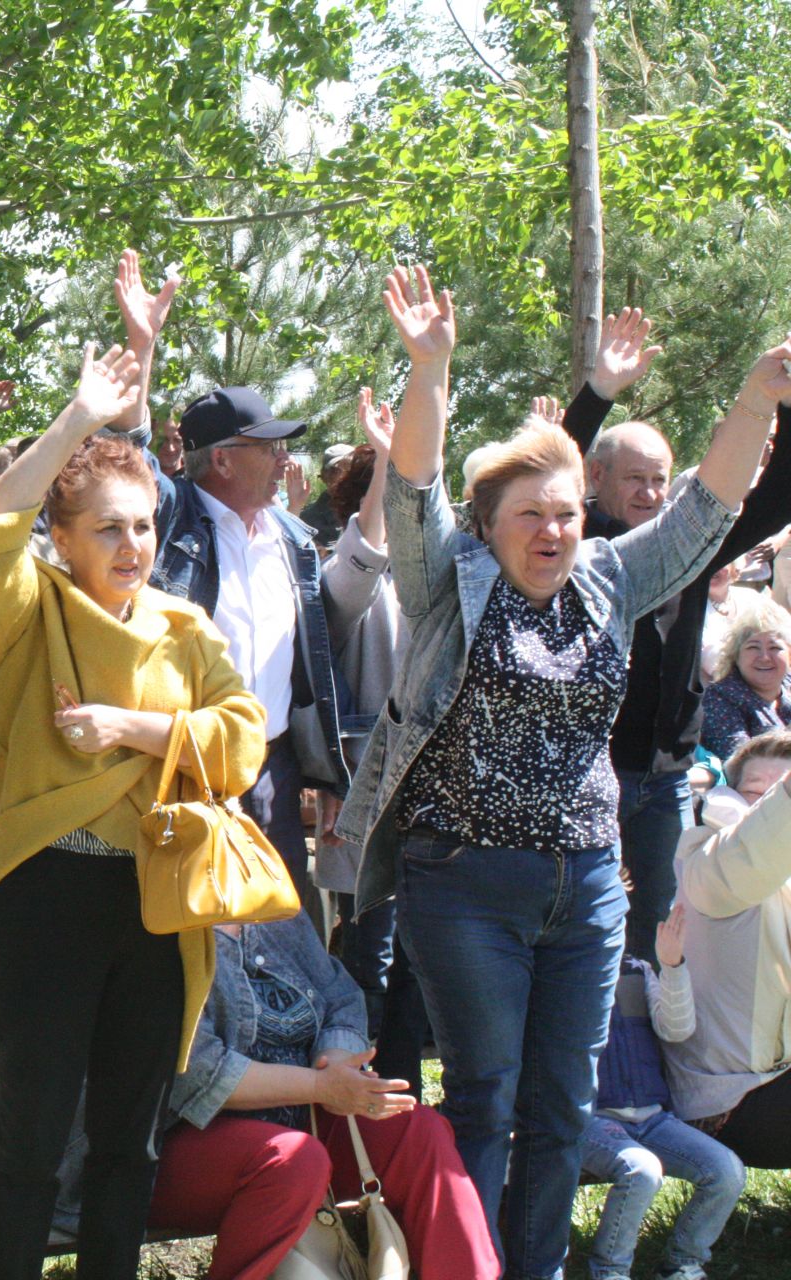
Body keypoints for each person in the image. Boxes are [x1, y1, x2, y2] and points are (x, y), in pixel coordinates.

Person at [334, 265, 783, 1276]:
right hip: (465, 880)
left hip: (585, 883)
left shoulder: (613, 578)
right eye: (528, 514)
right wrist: (431, 369)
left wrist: (756, 399)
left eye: (565, 513)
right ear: (491, 523)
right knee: (487, 1095)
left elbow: (712, 503)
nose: (550, 530)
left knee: (561, 1104)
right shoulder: (448, 580)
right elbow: (410, 487)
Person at [0, 328, 269, 1276]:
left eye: (143, 525)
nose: (133, 545)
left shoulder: (185, 624)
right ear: (64, 536)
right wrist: (82, 416)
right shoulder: (28, 608)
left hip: (159, 904)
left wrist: (136, 729)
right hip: (46, 900)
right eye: (109, 527)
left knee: (131, 1139)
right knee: (30, 1140)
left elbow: (241, 741)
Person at [55, 911, 498, 1280]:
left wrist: (334, 1060)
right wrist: (321, 1087)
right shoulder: (152, 920)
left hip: (295, 1118)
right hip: (155, 1142)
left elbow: (340, 995)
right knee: (292, 1161)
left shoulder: (271, 904)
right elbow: (197, 1073)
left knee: (416, 1131)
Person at [110, 252, 349, 920]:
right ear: (221, 459)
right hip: (175, 764)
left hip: (270, 768)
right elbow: (126, 458)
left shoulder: (295, 542)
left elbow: (320, 670)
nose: (284, 461)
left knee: (282, 941)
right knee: (189, 937)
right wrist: (141, 346)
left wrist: (327, 775)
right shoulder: (170, 518)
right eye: (267, 447)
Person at [551, 306, 791, 965]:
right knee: (579, 933)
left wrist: (784, 404)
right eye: (637, 479)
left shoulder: (689, 548)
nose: (654, 494)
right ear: (596, 480)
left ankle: (647, 1057)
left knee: (658, 932)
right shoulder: (570, 548)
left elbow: (774, 498)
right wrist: (598, 393)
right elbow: (548, 468)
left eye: (662, 479)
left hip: (663, 778)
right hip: (586, 773)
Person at [314, 392, 426, 1092]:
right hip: (368, 805)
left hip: (435, 806)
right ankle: (352, 1098)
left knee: (419, 961)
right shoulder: (348, 582)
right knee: (370, 960)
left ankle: (405, 1091)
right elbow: (369, 549)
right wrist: (389, 457)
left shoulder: (440, 574)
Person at [577, 911, 744, 1280]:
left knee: (725, 1171)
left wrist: (671, 965)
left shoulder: (637, 971)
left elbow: (676, 1028)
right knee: (641, 1171)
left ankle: (681, 1262)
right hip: (590, 1120)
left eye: (616, 913)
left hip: (652, 1118)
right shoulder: (559, 972)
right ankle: (610, 1271)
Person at [666, 729, 791, 1166]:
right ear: (728, 797)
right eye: (756, 794)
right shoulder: (710, 865)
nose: (763, 808)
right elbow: (757, 848)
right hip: (728, 1102)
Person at [700, 598, 791, 758]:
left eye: (775, 647)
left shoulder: (788, 683)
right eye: (753, 647)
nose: (764, 657)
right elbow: (739, 761)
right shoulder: (720, 697)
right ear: (736, 656)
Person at [296, 442, 353, 547]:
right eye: (337, 470)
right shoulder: (308, 519)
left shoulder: (373, 510)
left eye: (351, 469)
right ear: (324, 475)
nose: (344, 475)